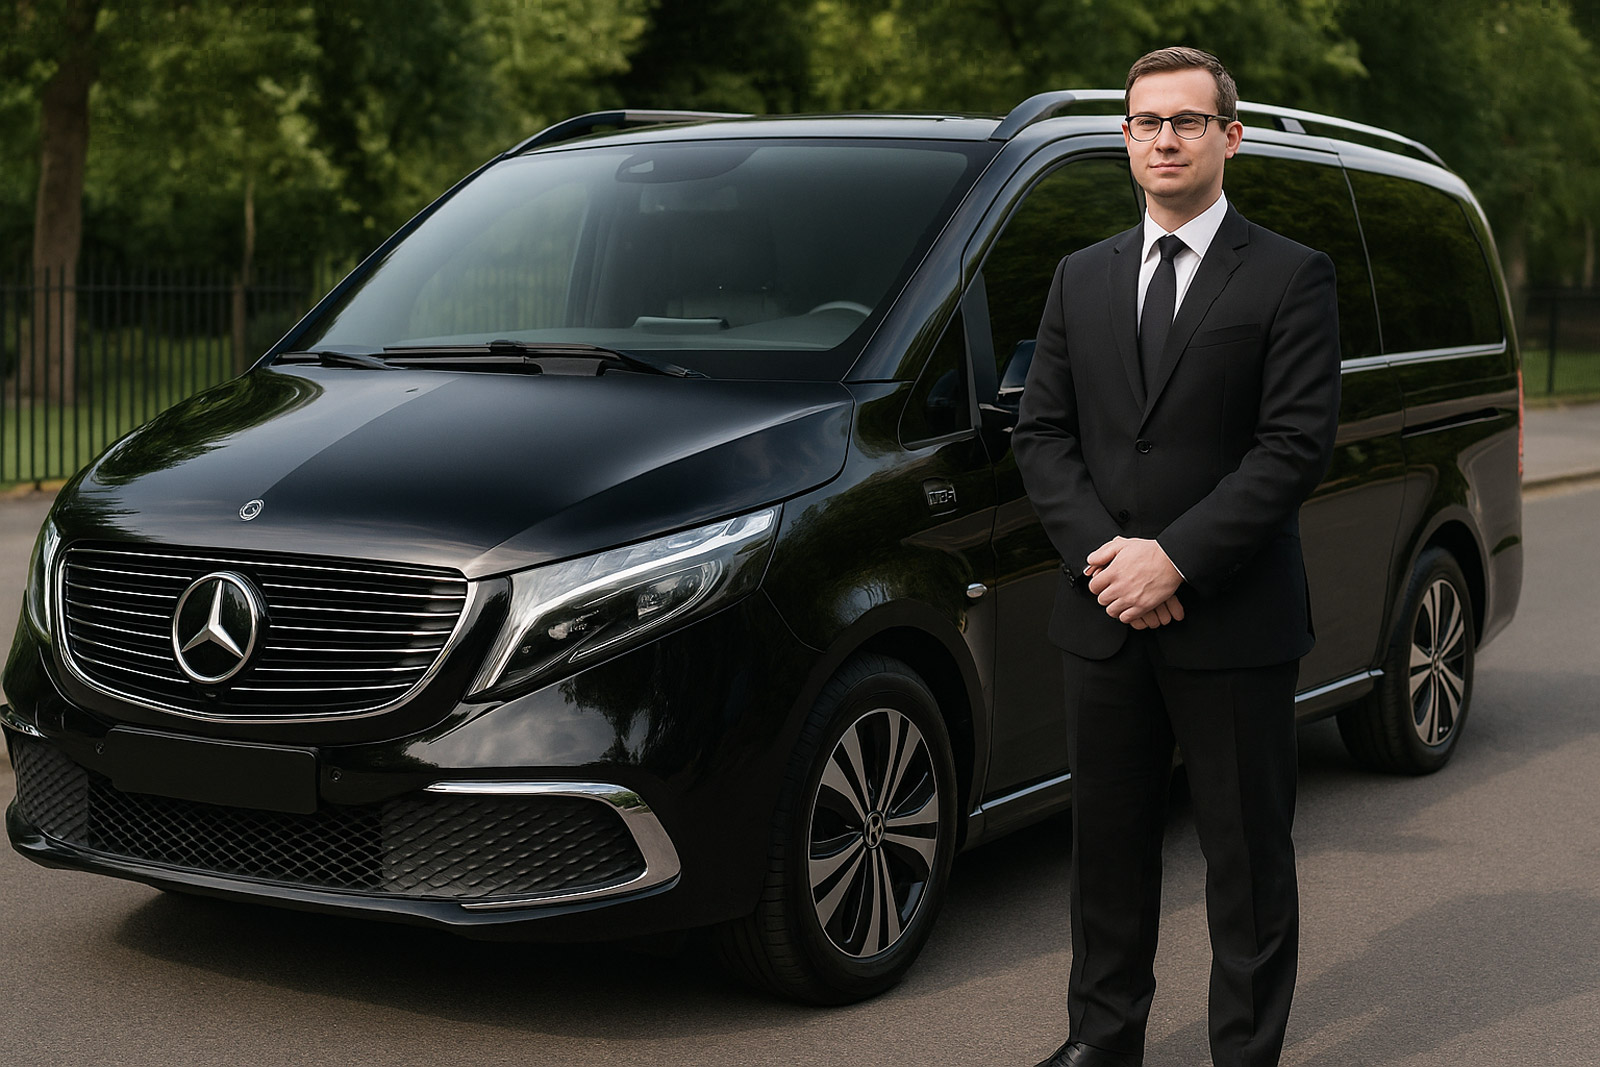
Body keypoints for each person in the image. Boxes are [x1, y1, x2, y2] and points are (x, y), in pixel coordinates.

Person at [1012, 47, 1342, 1067]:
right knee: (1106, 851)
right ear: (1125, 138)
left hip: (1233, 616)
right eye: (1146, 122)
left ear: (1228, 137)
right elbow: (1041, 434)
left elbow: (1293, 446)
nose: (1165, 139)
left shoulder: (1289, 273)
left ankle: (1243, 1051)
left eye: (1187, 121)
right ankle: (1101, 1038)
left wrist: (1176, 560)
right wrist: (1110, 559)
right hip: (1103, 613)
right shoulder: (1081, 275)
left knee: (1246, 860)